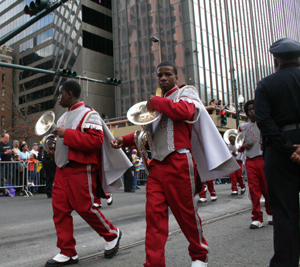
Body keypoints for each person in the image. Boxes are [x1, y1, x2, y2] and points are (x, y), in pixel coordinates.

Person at [111, 61, 211, 267]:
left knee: (186, 214)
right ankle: (154, 263)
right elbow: (147, 133)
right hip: (157, 166)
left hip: (180, 162)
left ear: (176, 78)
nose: (162, 78)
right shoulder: (156, 104)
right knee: (154, 218)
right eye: (159, 75)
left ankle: (199, 255)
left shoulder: (186, 93)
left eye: (167, 75)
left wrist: (156, 102)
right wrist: (125, 139)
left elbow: (186, 112)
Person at [45, 80, 131, 267]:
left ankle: (112, 233)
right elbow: (64, 141)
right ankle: (67, 251)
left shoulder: (89, 114)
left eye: (60, 94)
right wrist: (54, 151)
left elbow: (95, 141)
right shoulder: (61, 118)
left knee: (85, 208)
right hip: (62, 169)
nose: (58, 98)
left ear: (69, 94)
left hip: (81, 168)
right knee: (59, 210)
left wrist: (66, 134)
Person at [254, 38, 300, 267]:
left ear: (276, 61)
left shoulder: (265, 84)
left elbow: (264, 122)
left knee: (284, 214)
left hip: (279, 152)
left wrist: (288, 148)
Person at [239, 100, 272, 229]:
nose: (252, 111)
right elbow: (238, 144)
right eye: (249, 109)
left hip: (264, 159)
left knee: (267, 189)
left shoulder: (266, 124)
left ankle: (271, 213)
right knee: (253, 190)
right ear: (247, 112)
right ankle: (257, 218)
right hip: (250, 160)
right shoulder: (243, 127)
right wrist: (243, 145)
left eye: (254, 108)